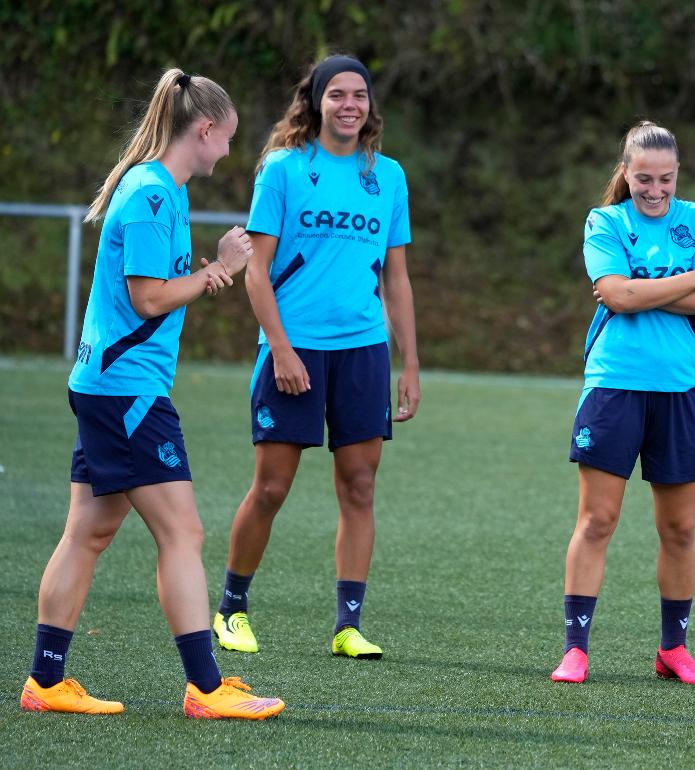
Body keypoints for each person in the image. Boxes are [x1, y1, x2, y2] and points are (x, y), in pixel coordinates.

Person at [21, 69, 285, 719]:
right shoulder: (152, 196)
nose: (228, 151)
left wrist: (209, 269)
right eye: (226, 139)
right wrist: (220, 270)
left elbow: (150, 291)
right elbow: (147, 298)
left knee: (89, 530)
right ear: (203, 131)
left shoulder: (160, 190)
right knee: (183, 531)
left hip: (110, 386)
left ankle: (46, 682)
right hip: (126, 391)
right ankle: (205, 686)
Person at [212, 54, 419, 661]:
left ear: (370, 106)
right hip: (294, 349)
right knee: (272, 488)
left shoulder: (389, 177)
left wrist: (408, 363)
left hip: (362, 352)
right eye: (337, 95)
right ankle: (231, 609)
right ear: (316, 102)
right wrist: (280, 348)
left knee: (359, 486)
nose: (349, 105)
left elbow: (399, 280)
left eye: (359, 96)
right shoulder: (283, 170)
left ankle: (348, 626)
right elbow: (257, 271)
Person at [551, 121, 695, 684]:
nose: (655, 191)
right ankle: (576, 649)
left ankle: (673, 650)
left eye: (666, 180)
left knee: (679, 529)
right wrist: (686, 280)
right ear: (625, 173)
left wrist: (644, 286)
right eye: (644, 179)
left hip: (681, 390)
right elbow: (614, 294)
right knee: (598, 520)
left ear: (678, 175)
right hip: (614, 385)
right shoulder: (604, 220)